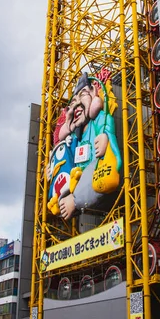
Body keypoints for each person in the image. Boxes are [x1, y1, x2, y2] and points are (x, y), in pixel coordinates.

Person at [56, 72, 122, 220]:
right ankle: (62, 199)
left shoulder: (100, 120)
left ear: (94, 93)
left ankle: (75, 200)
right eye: (73, 102)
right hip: (76, 179)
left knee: (95, 169)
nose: (77, 105)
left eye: (83, 95)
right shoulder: (74, 136)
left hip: (94, 176)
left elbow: (112, 151)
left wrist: (106, 139)